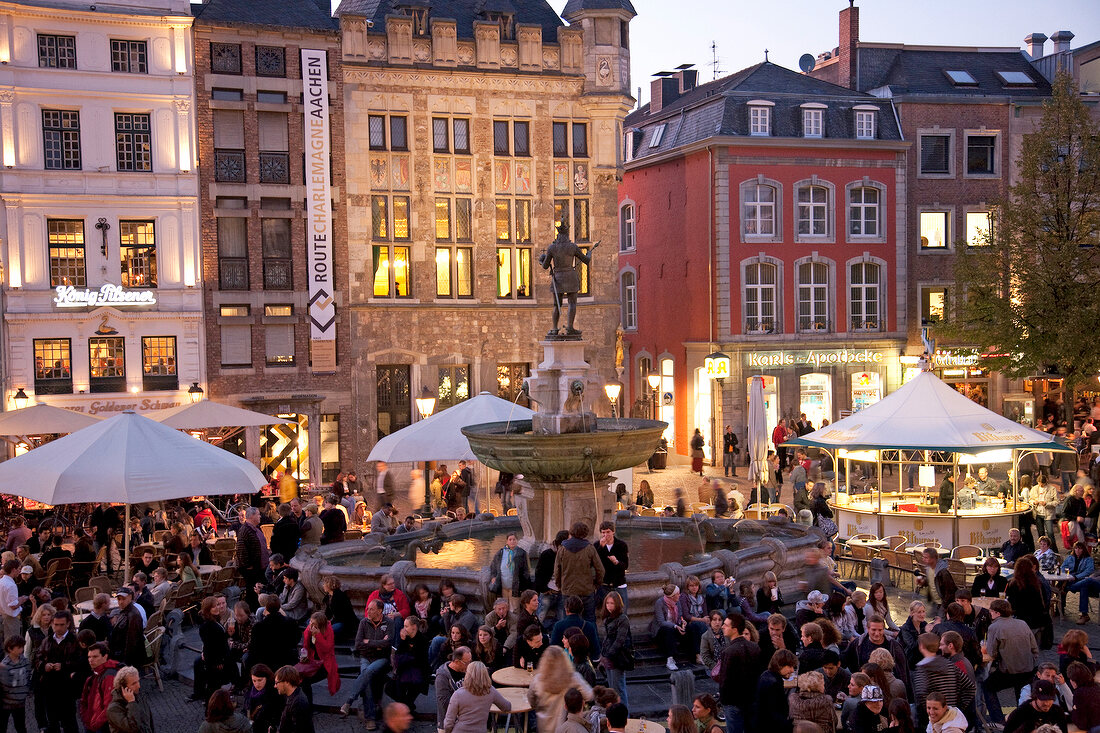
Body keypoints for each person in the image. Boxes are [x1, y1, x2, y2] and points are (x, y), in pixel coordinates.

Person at [984, 598, 1040, 725]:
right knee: (1021, 693)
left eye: (991, 612)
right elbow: (1034, 648)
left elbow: (992, 653)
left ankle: (998, 720)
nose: (990, 614)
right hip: (1028, 669)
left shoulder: (994, 627)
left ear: (997, 613)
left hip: (1009, 671)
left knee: (987, 686)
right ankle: (1024, 721)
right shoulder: (1022, 623)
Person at [339, 599, 391, 724]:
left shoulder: (389, 623)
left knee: (368, 671)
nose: (368, 611)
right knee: (367, 675)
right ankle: (370, 718)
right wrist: (377, 644)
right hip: (366, 657)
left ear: (379, 611)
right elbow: (358, 644)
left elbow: (387, 644)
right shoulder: (363, 622)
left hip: (382, 658)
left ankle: (349, 701)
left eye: (371, 609)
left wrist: (368, 642)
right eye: (368, 608)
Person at [912, 632, 974, 729]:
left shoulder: (923, 669)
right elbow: (970, 687)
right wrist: (957, 707)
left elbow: (921, 697)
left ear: (921, 646)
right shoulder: (950, 665)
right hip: (951, 717)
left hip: (933, 721)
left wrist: (927, 715)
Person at [527, 646, 593, 733]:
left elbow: (531, 701)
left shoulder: (538, 680)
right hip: (565, 727)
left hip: (543, 726)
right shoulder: (573, 678)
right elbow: (590, 695)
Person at [717, 613, 762, 733]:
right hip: (752, 700)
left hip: (733, 702)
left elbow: (725, 680)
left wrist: (724, 701)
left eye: (726, 625)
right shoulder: (755, 647)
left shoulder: (729, 651)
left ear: (735, 629)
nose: (722, 627)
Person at [842, 615, 909, 690]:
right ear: (868, 629)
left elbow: (903, 671)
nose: (877, 633)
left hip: (888, 687)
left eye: (880, 630)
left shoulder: (893, 646)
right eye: (874, 630)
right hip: (864, 688)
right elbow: (843, 661)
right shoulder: (857, 644)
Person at [442, 660, 509, 733]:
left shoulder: (458, 694)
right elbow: (506, 707)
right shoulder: (490, 691)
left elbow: (448, 723)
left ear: (467, 674)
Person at [247, 596, 299, 680]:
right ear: (279, 607)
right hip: (286, 660)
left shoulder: (259, 627)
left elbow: (254, 648)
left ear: (266, 608)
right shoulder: (291, 623)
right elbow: (296, 640)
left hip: (266, 663)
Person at [192, 596, 230, 702]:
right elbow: (211, 645)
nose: (217, 608)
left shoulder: (214, 621)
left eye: (218, 605)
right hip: (215, 661)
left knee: (215, 685)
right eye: (214, 606)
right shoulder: (208, 626)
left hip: (218, 658)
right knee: (213, 686)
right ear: (208, 609)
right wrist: (219, 661)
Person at [389, 616, 429, 713]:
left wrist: (405, 657)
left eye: (406, 626)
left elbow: (418, 659)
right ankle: (408, 706)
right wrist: (403, 641)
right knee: (389, 688)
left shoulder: (422, 640)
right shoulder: (405, 638)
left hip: (417, 673)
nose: (404, 629)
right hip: (404, 670)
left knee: (405, 687)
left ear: (414, 627)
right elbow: (398, 655)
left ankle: (405, 707)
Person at [1003, 679, 1068, 733]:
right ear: (1035, 697)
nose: (1046, 703)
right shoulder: (1021, 712)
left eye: (1050, 699)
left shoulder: (1057, 711)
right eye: (1043, 699)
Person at [235, 508, 269, 609]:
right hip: (252, 569)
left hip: (260, 567)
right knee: (252, 591)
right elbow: (241, 549)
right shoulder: (245, 530)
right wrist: (248, 565)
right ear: (252, 516)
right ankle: (252, 611)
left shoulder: (255, 528)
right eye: (258, 515)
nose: (260, 516)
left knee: (258, 589)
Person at [489, 533, 531, 611]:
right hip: (502, 586)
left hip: (515, 587)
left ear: (517, 541)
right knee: (502, 608)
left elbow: (526, 570)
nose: (512, 541)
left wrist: (524, 585)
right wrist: (493, 577)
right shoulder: (500, 552)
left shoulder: (521, 553)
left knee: (514, 609)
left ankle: (514, 623)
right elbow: (493, 566)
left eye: (514, 539)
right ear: (506, 541)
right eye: (510, 539)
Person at [594, 522, 629, 609]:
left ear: (613, 532)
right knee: (604, 612)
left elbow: (626, 565)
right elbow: (594, 563)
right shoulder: (596, 545)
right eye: (603, 532)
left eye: (608, 532)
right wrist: (601, 547)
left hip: (619, 583)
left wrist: (616, 562)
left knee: (622, 611)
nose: (606, 535)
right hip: (604, 584)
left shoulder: (622, 545)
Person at [108, 588, 146, 668]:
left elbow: (132, 642)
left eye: (123, 599)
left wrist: (125, 663)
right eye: (119, 599)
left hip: (126, 657)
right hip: (119, 650)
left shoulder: (133, 615)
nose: (121, 602)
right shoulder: (125, 611)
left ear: (130, 598)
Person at [434, 647, 470, 731]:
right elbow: (444, 702)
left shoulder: (465, 671)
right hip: (449, 724)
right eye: (467, 662)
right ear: (457, 661)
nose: (469, 665)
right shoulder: (442, 677)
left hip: (465, 721)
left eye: (470, 661)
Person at [915, 548, 956, 615]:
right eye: (923, 557)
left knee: (940, 621)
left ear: (933, 558)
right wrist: (923, 582)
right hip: (935, 602)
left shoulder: (943, 572)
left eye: (926, 557)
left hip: (942, 603)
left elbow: (950, 591)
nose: (923, 559)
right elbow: (932, 582)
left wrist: (944, 606)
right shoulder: (928, 568)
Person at [0, 635, 28, 733]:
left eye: (22, 647)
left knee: (21, 726)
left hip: (20, 702)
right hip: (6, 703)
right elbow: (4, 684)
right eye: (19, 647)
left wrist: (26, 691)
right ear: (10, 649)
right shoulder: (4, 665)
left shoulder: (25, 661)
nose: (21, 650)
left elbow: (28, 676)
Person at [244, 664, 283, 733]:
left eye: (260, 680)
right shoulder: (250, 690)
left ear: (267, 678)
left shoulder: (274, 693)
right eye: (254, 681)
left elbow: (277, 716)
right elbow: (245, 709)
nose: (257, 684)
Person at [274, 665, 313, 733]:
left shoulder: (298, 703)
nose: (275, 686)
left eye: (276, 683)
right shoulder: (291, 695)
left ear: (287, 682)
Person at [1067, 660, 1100, 731]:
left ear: (1074, 680)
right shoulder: (1097, 687)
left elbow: (1081, 723)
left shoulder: (1079, 693)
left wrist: (1073, 712)